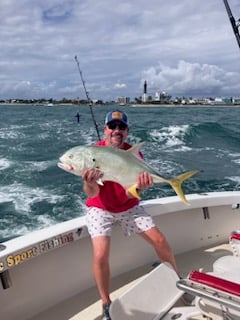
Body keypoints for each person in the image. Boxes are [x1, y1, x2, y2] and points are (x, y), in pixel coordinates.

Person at [82, 110, 178, 320]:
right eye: (112, 126)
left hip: (128, 206)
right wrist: (90, 182)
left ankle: (176, 279)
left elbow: (129, 193)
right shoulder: (92, 153)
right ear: (105, 129)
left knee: (160, 241)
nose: (117, 131)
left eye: (121, 127)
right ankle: (106, 302)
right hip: (100, 207)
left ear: (127, 132)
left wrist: (140, 187)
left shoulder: (133, 154)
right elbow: (92, 193)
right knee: (100, 255)